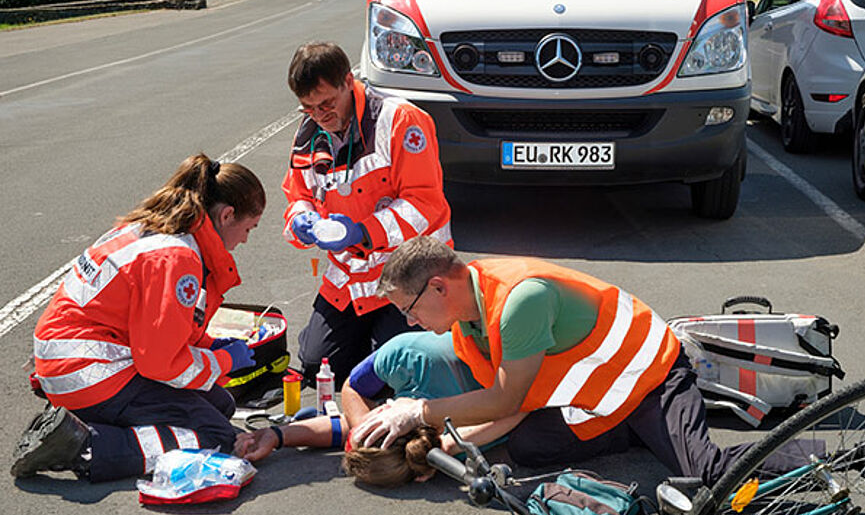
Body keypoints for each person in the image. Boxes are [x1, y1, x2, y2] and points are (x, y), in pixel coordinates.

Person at [349, 236, 837, 488]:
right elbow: (505, 410)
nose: (410, 323)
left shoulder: (518, 300)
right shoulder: (465, 321)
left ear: (438, 287)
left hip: (650, 375)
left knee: (705, 471)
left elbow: (507, 397)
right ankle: (650, 435)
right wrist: (452, 448)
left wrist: (420, 414)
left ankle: (850, 457)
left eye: (408, 310)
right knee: (527, 448)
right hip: (602, 394)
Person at [11, 154, 266, 483]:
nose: (245, 239)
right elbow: (161, 363)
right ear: (228, 214)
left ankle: (79, 422)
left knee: (220, 405)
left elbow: (161, 325)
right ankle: (84, 445)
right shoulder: (179, 257)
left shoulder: (160, 229)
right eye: (249, 228)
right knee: (217, 436)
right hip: (91, 371)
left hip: (72, 360)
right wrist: (222, 360)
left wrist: (208, 345)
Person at [281, 41, 453, 392]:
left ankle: (412, 336)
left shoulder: (401, 120)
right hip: (352, 278)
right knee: (317, 368)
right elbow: (298, 197)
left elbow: (424, 205)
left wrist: (362, 232)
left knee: (397, 375)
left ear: (348, 80)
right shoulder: (309, 133)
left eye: (326, 103)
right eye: (309, 107)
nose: (320, 115)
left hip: (409, 274)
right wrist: (303, 221)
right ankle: (370, 341)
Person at [233, 331, 524, 487]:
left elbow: (351, 408)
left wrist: (279, 434)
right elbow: (520, 408)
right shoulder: (413, 356)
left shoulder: (448, 438)